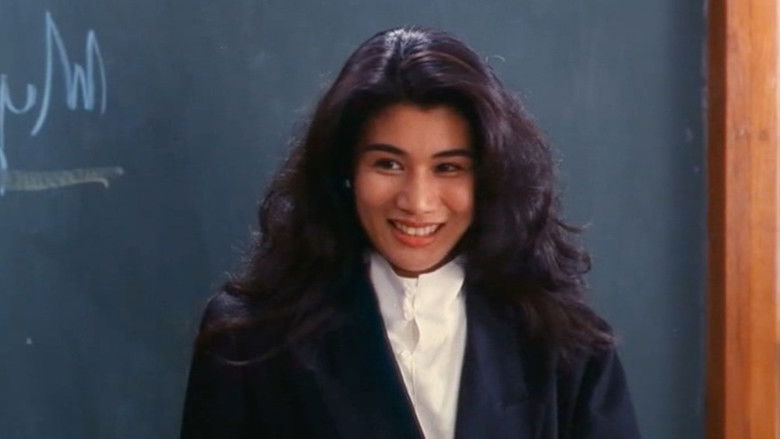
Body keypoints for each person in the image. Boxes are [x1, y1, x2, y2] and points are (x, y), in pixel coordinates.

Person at [181, 27, 641, 439]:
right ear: (344, 170)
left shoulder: (566, 345)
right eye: (388, 164)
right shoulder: (248, 340)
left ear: (490, 176)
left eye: (448, 168)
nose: (418, 201)